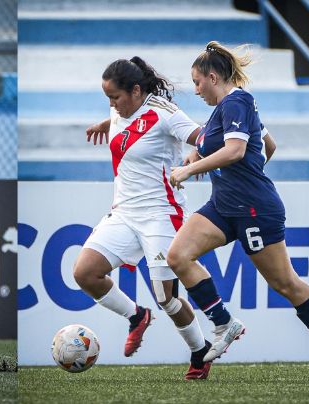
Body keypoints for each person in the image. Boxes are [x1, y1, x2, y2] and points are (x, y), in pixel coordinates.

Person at [167, 41, 309, 382]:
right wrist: (199, 156)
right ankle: (224, 323)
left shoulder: (238, 100)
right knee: (178, 256)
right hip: (224, 206)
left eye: (196, 83)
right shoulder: (224, 108)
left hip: (254, 210)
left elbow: (236, 150)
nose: (195, 90)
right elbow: (268, 145)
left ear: (211, 77)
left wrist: (191, 170)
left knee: (285, 283)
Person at [75, 57, 214, 380]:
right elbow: (127, 121)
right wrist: (104, 124)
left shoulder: (165, 113)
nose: (112, 105)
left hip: (161, 215)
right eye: (107, 100)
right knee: (85, 272)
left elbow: (205, 135)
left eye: (115, 98)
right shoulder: (118, 111)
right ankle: (136, 316)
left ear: (136, 91)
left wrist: (197, 153)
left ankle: (199, 352)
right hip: (123, 213)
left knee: (167, 298)